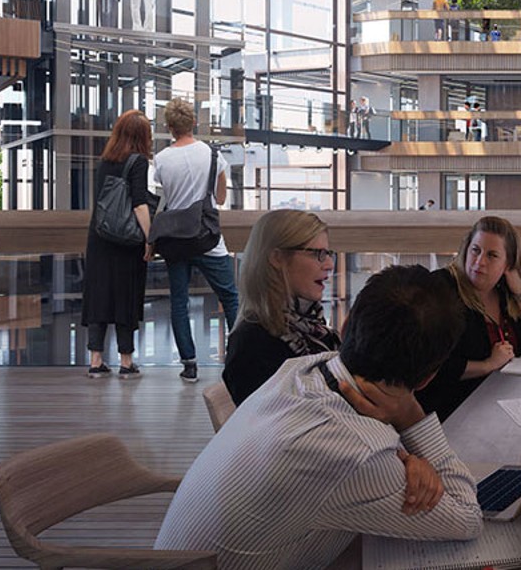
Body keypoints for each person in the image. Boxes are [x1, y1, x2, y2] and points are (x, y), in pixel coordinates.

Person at [155, 265, 482, 569]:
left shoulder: (300, 369)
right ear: (427, 378)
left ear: (347, 324)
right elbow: (469, 517)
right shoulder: (360, 455)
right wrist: (411, 418)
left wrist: (401, 456)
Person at [416, 216, 521, 420]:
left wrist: (520, 292)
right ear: (466, 250)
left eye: (492, 255)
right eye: (476, 250)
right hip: (452, 413)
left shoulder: (504, 292)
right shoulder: (441, 289)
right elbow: (428, 364)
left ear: (508, 264)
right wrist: (487, 365)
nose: (480, 262)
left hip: (504, 404)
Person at [155, 97, 238, 384]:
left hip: (175, 239)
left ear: (169, 127)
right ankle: (239, 358)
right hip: (208, 239)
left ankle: (189, 365)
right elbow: (221, 198)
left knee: (179, 301)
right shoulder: (213, 155)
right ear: (193, 122)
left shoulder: (161, 159)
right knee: (230, 297)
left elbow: (166, 196)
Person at [222, 210, 341, 405]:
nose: (329, 264)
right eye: (317, 254)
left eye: (328, 254)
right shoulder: (252, 344)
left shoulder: (315, 331)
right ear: (277, 258)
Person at [83, 110, 154, 379]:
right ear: (142, 136)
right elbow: (139, 204)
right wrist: (150, 237)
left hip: (99, 236)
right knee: (126, 295)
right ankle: (126, 362)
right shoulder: (138, 162)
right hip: (126, 240)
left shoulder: (105, 160)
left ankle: (95, 361)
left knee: (99, 295)